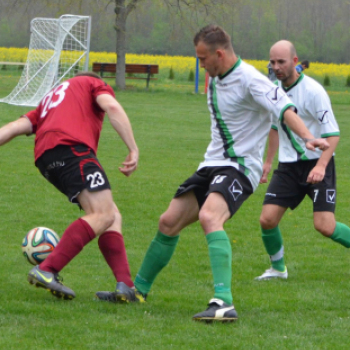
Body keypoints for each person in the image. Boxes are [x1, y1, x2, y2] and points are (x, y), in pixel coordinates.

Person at [96, 25, 328, 322]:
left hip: (241, 166)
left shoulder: (252, 80)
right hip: (211, 164)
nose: (201, 64)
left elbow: (284, 109)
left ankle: (224, 302)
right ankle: (137, 290)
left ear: (220, 54)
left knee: (209, 216)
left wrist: (308, 137)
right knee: (168, 222)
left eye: (203, 58)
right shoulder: (216, 77)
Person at [0, 72, 140, 300]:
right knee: (102, 213)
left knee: (111, 214)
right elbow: (112, 108)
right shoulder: (92, 83)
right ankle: (47, 269)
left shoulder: (50, 101)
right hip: (72, 149)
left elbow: (16, 126)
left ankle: (125, 286)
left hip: (45, 160)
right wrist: (133, 148)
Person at [256, 40, 350, 281]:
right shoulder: (272, 91)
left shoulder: (314, 92)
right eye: (272, 62)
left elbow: (333, 135)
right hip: (288, 167)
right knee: (267, 219)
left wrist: (320, 166)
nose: (275, 67)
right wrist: (268, 162)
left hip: (319, 162)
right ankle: (278, 269)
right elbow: (275, 128)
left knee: (325, 226)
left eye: (281, 62)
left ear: (295, 62)